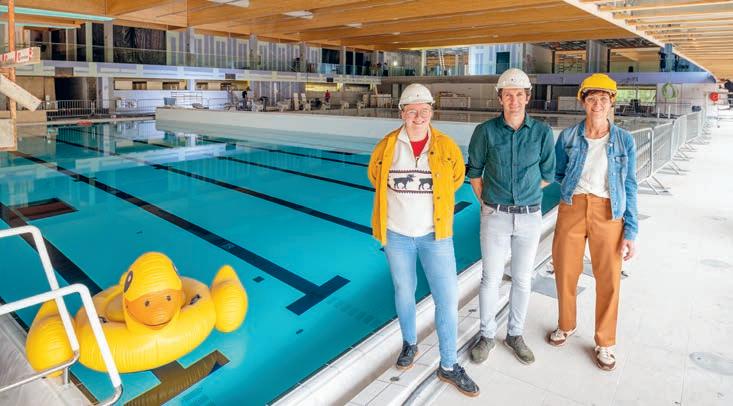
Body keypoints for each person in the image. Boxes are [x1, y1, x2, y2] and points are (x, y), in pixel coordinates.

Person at [368, 83, 479, 397]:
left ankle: (448, 364)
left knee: (446, 297)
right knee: (404, 290)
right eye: (412, 111)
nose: (418, 117)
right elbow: (375, 177)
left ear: (432, 111)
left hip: (435, 235)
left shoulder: (445, 146)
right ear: (402, 112)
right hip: (396, 234)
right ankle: (410, 344)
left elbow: (457, 177)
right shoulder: (387, 145)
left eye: (424, 111)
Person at [548, 73, 638, 371]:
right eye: (591, 99)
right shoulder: (570, 137)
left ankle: (605, 341)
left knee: (609, 279)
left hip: (609, 212)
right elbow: (559, 173)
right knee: (564, 271)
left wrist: (631, 230)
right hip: (572, 207)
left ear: (612, 102)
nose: (597, 104)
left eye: (603, 99)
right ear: (583, 102)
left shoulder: (623, 140)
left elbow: (630, 184)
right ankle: (566, 324)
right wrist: (569, 192)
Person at [467, 68, 555, 365]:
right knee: (490, 278)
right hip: (496, 215)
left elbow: (547, 174)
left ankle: (515, 334)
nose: (514, 100)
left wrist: (524, 192)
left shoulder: (542, 132)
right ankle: (487, 334)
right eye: (508, 95)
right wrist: (489, 204)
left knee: (522, 279)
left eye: (519, 95)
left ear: (527, 98)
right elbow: (475, 175)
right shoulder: (485, 132)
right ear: (500, 98)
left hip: (530, 217)